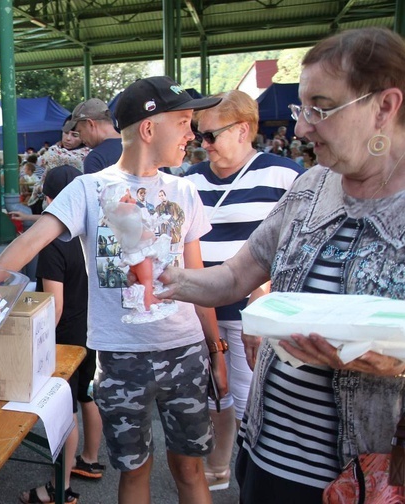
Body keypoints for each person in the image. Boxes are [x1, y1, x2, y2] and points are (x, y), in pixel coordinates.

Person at [159, 27, 405, 503]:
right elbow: (235, 275)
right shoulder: (310, 188)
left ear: (385, 106)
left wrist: (396, 366)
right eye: (301, 108)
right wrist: (171, 278)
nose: (302, 128)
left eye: (321, 107)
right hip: (268, 457)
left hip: (364, 477)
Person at [0, 76, 227, 504]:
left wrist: (217, 352)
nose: (192, 135)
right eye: (184, 122)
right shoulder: (88, 188)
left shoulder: (185, 192)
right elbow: (30, 241)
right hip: (120, 358)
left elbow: (198, 280)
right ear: (150, 128)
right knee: (133, 471)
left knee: (190, 469)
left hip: (186, 351)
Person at [184, 89, 305, 491]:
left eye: (210, 136)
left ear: (242, 130)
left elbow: (294, 248)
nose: (202, 145)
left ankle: (250, 468)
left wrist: (263, 290)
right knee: (213, 393)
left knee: (248, 394)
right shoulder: (189, 181)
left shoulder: (285, 175)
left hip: (250, 313)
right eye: (199, 135)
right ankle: (220, 458)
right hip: (198, 313)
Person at [19, 165, 104, 504]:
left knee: (64, 412)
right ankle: (91, 459)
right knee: (88, 395)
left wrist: (34, 348)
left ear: (52, 201)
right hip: (93, 331)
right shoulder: (94, 232)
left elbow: (54, 305)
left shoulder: (54, 244)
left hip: (66, 339)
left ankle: (60, 487)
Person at [63, 98, 122, 174]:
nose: (80, 138)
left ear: (90, 124)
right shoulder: (136, 145)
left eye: (79, 131)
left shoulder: (96, 159)